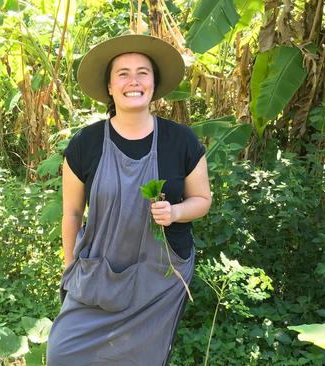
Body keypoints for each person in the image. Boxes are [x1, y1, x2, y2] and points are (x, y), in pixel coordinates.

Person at [46, 33, 211, 365]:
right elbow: (72, 213)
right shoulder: (85, 144)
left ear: (154, 83)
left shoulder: (181, 140)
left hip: (159, 275)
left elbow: (202, 199)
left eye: (142, 72)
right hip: (97, 273)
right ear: (109, 86)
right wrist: (69, 269)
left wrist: (175, 211)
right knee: (62, 353)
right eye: (123, 73)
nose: (133, 81)